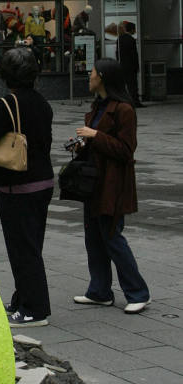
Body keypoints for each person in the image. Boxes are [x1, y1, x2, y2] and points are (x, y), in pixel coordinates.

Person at [0, 46, 54, 327]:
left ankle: (35, 309)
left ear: (6, 75)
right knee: (31, 244)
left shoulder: (8, 104)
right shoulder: (43, 103)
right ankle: (22, 299)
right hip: (43, 181)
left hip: (17, 185)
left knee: (23, 248)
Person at [72, 59, 150, 313]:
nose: (89, 77)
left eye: (92, 73)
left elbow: (126, 150)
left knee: (112, 237)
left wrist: (96, 136)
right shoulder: (98, 106)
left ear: (102, 77)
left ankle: (138, 292)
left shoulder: (124, 109)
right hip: (93, 182)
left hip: (113, 184)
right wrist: (82, 143)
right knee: (93, 238)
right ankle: (99, 291)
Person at [117, 21, 142, 106]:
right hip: (131, 66)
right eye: (134, 29)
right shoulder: (131, 39)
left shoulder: (119, 39)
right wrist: (136, 66)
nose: (135, 31)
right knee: (133, 85)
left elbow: (118, 53)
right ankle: (135, 101)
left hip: (122, 65)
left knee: (123, 85)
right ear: (131, 30)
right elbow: (134, 55)